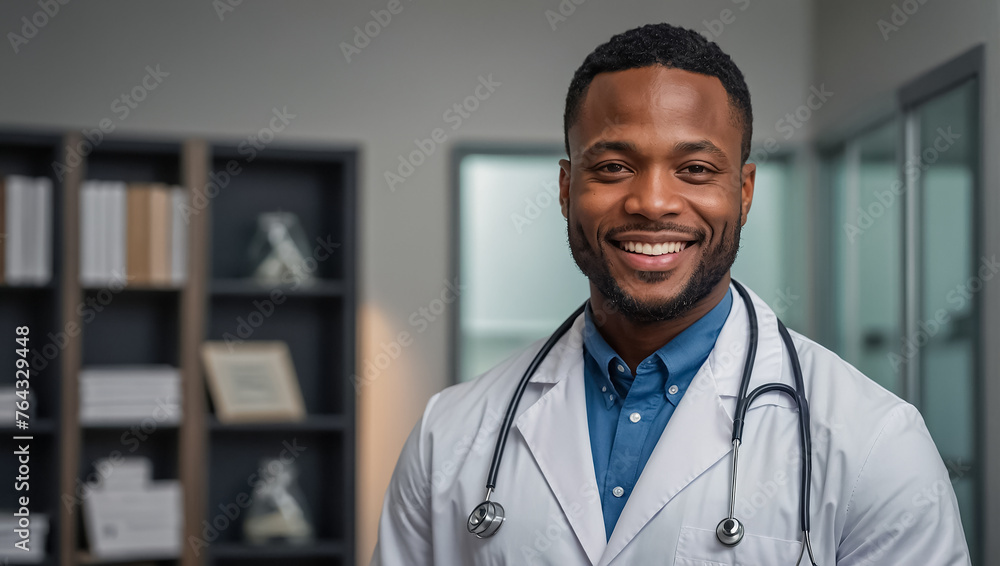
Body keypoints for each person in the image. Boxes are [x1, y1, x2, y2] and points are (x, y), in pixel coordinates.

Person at [371, 23, 971, 565]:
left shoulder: (874, 444)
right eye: (612, 167)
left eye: (696, 170)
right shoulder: (447, 435)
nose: (652, 202)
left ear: (744, 191)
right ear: (565, 188)